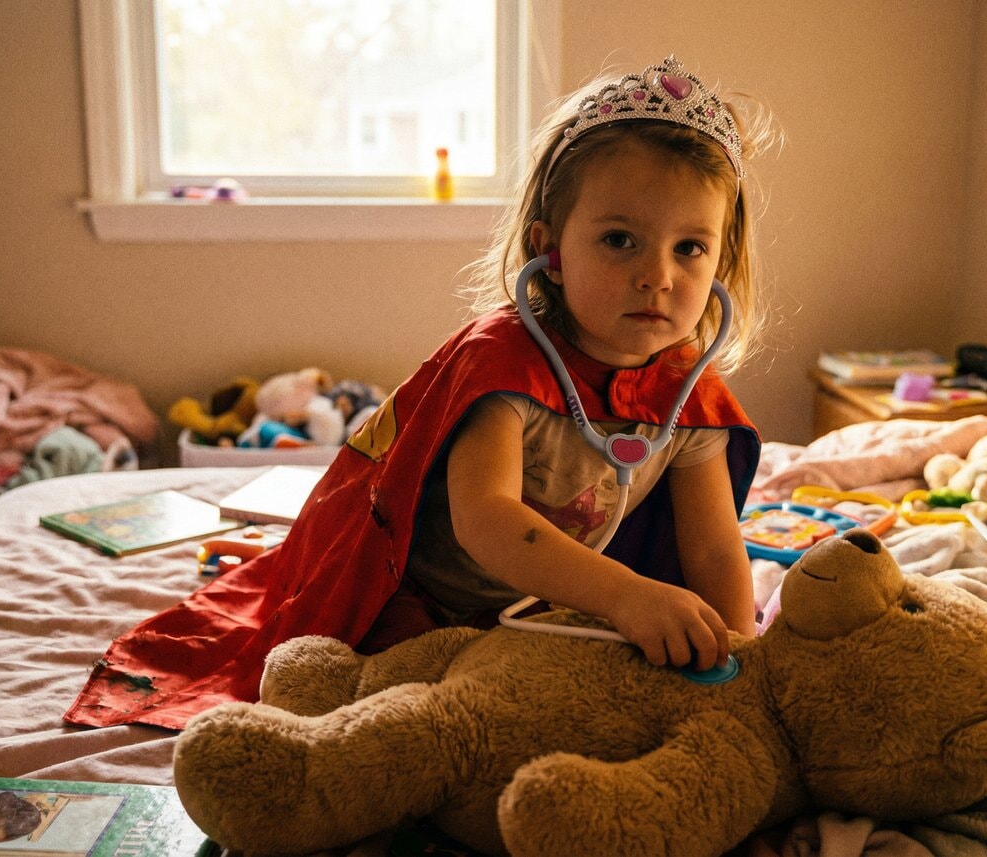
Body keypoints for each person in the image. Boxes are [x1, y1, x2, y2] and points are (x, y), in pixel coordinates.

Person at [67, 55, 776, 731]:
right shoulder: (503, 365)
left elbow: (713, 552)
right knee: (394, 708)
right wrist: (626, 594)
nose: (658, 275)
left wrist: (745, 668)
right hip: (422, 600)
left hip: (552, 609)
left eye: (690, 247)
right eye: (620, 239)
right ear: (548, 252)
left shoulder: (689, 395)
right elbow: (487, 518)